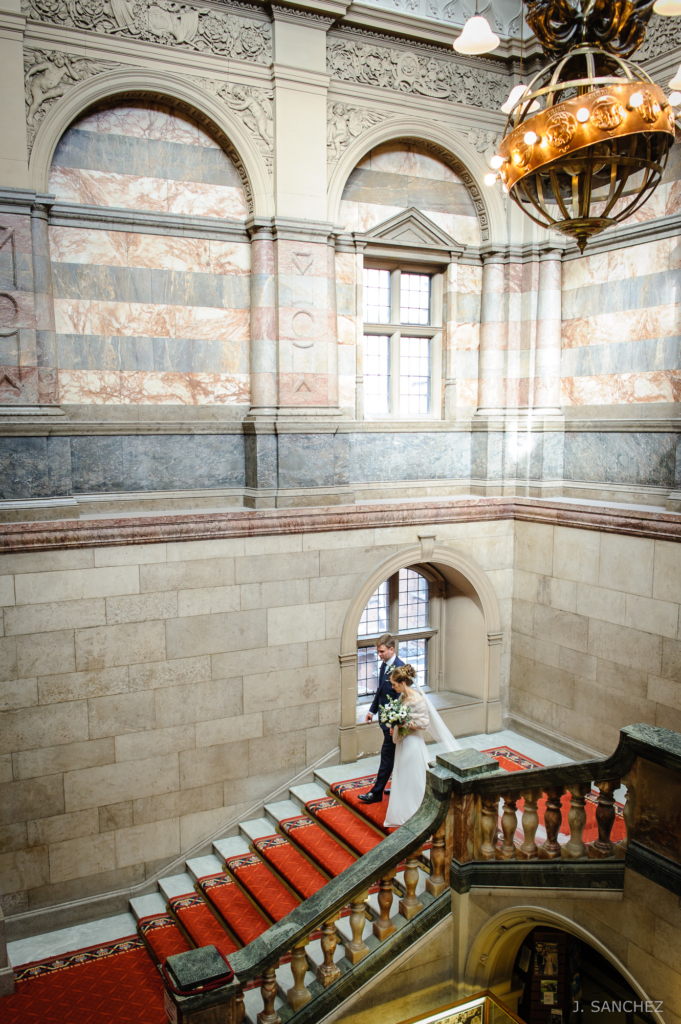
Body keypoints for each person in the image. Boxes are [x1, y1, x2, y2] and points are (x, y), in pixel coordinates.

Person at [384, 664, 462, 829]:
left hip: (412, 742)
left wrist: (405, 722)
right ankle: (403, 809)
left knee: (413, 774)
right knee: (402, 773)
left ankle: (419, 809)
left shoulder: (418, 699)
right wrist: (393, 724)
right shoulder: (402, 697)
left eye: (394, 684)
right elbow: (399, 716)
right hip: (403, 741)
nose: (393, 687)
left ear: (403, 683)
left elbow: (424, 723)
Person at [358, 633, 404, 805]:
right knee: (398, 755)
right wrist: (372, 710)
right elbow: (380, 690)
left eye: (382, 651)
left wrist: (395, 724)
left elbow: (403, 699)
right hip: (385, 720)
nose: (380, 655)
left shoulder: (400, 668)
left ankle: (376, 793)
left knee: (387, 757)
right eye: (378, 652)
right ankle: (399, 786)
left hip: (394, 725)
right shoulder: (385, 665)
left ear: (392, 649)